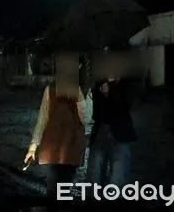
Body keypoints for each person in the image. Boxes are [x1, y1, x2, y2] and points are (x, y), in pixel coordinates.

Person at [24, 51, 89, 200]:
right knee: (53, 191)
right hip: (52, 148)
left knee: (64, 191)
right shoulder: (51, 90)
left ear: (78, 67)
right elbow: (43, 119)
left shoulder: (83, 89)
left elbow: (86, 119)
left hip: (71, 148)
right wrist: (33, 147)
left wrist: (79, 98)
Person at [86, 48, 136, 188]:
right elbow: (97, 113)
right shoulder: (100, 83)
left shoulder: (128, 84)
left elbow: (125, 106)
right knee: (93, 179)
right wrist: (99, 92)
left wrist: (111, 91)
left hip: (120, 135)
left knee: (118, 179)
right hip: (100, 132)